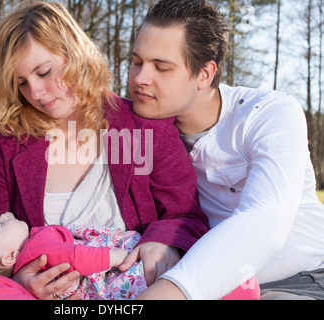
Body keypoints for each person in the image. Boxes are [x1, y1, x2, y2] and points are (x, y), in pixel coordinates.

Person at [0, 1, 209, 300]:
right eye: (21, 83)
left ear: (76, 54)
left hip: (135, 290)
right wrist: (18, 279)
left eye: (44, 72)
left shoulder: (145, 127)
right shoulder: (6, 141)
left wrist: (164, 243)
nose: (36, 93)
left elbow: (185, 215)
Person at [130, 0, 324, 300]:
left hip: (299, 282)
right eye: (137, 61)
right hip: (209, 288)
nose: (140, 77)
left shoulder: (269, 114)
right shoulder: (133, 129)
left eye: (161, 67)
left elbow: (264, 219)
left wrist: (171, 292)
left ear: (205, 74)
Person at [0, 212, 147, 300]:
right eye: (0, 224)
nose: (5, 214)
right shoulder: (36, 247)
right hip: (115, 263)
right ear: (10, 256)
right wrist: (116, 256)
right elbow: (77, 258)